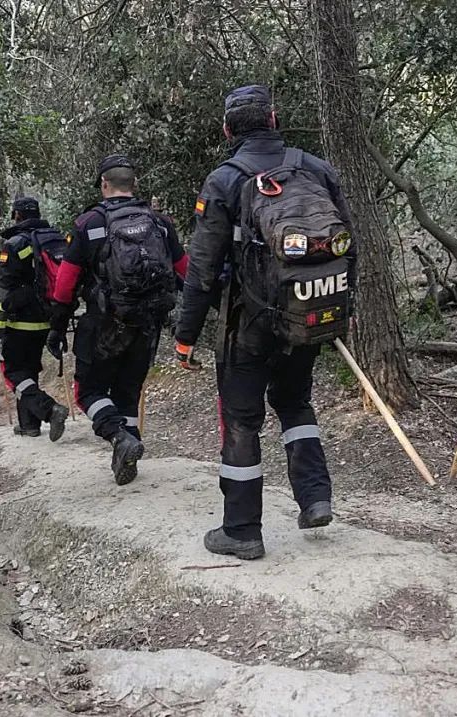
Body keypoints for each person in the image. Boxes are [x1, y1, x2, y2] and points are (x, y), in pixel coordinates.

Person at [174, 85, 356, 560]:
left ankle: (241, 531)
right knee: (295, 403)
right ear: (274, 119)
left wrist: (185, 335)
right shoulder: (316, 168)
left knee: (241, 420)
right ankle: (315, 498)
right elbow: (348, 245)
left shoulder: (224, 181)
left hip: (247, 323)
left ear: (227, 130)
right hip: (306, 314)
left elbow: (202, 268)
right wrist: (337, 310)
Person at [48, 155, 188, 484]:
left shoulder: (89, 224)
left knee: (87, 391)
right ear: (134, 184)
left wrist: (57, 327)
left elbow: (65, 284)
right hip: (148, 322)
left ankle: (118, 437)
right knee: (128, 391)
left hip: (104, 322)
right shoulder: (159, 223)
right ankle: (127, 456)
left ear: (104, 184)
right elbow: (186, 272)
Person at [0, 197, 69, 439]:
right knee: (28, 371)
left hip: (19, 322)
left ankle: (49, 409)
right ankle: (29, 425)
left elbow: (5, 291)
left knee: (14, 372)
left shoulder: (14, 245)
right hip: (48, 319)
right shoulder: (54, 240)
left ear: (17, 215)